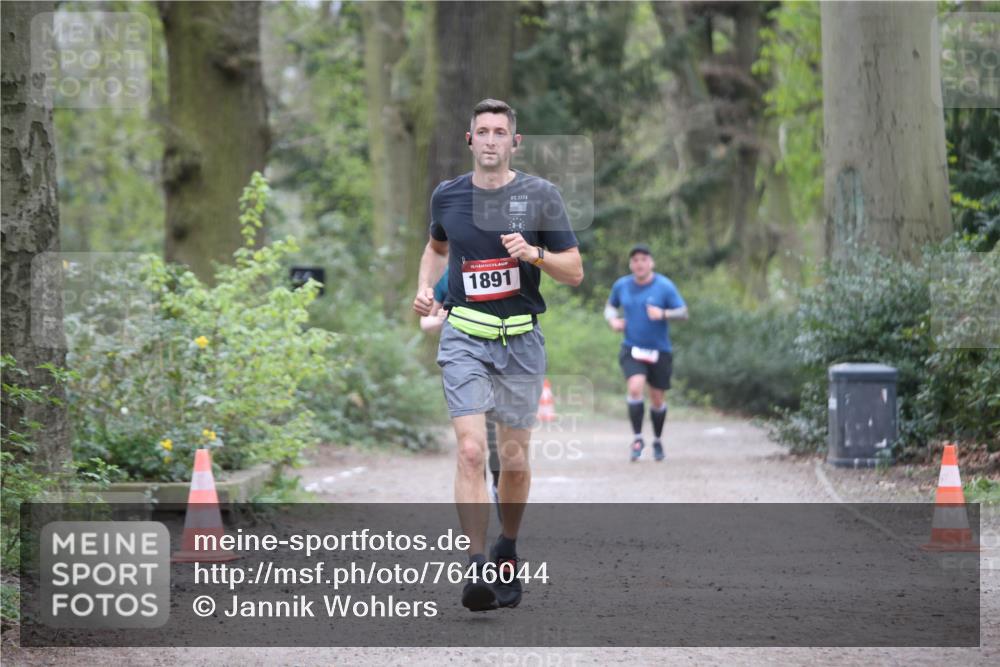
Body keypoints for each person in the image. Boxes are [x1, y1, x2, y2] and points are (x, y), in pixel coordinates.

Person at [412, 98, 583, 612]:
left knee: (513, 460)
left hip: (521, 340)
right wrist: (425, 287)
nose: (490, 140)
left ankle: (507, 546)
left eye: (499, 132)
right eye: (482, 131)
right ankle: (476, 563)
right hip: (464, 335)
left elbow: (574, 271)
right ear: (470, 139)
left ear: (515, 141)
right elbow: (438, 247)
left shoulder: (541, 196)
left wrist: (534, 254)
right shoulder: (448, 196)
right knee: (469, 450)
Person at [419, 268, 502, 516]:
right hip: (465, 361)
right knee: (473, 445)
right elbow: (426, 322)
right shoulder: (450, 276)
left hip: (504, 356)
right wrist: (441, 319)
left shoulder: (507, 266)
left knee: (499, 437)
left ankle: (499, 485)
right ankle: (480, 490)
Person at [604, 244, 688, 462]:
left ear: (651, 263)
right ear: (631, 264)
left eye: (643, 259)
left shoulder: (664, 286)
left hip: (660, 350)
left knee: (657, 399)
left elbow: (683, 312)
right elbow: (610, 306)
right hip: (632, 347)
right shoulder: (621, 285)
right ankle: (638, 438)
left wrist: (664, 313)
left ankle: (658, 440)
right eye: (635, 260)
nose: (639, 264)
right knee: (635, 388)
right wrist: (613, 320)